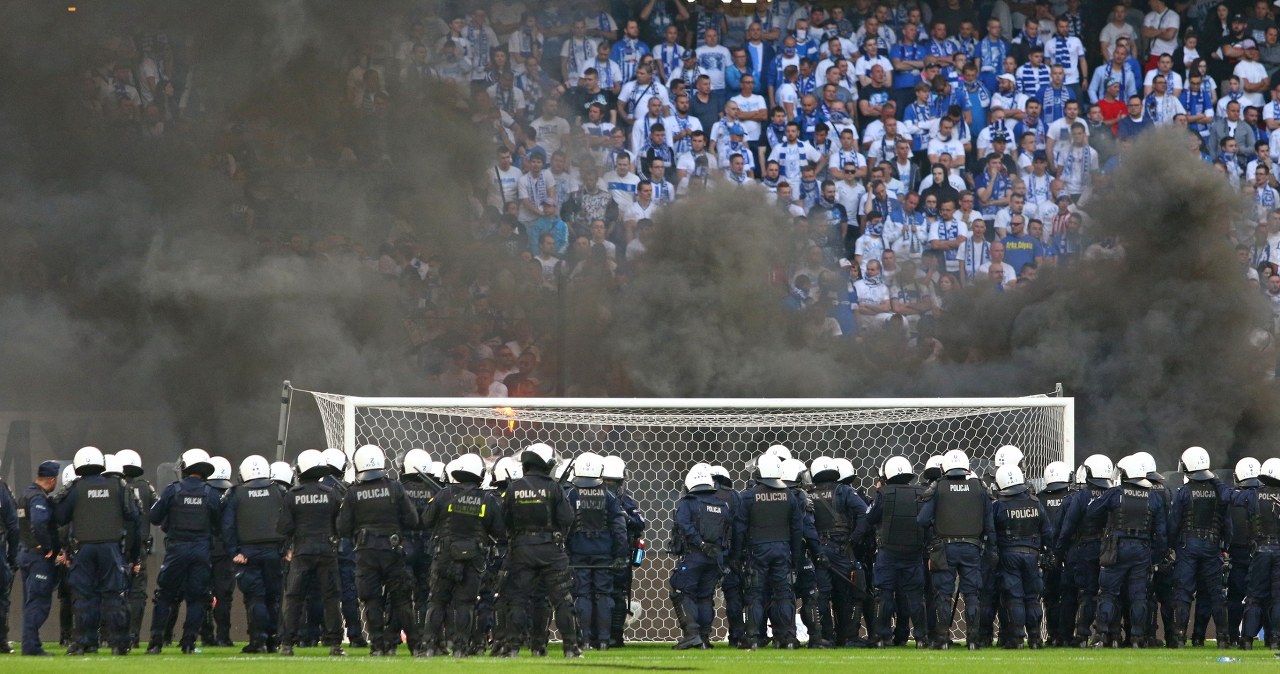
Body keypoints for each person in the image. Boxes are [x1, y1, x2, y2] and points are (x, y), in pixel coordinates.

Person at [498, 443, 581, 658]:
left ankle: (513, 648)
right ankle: (570, 648)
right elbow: (568, 518)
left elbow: (503, 520)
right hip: (550, 550)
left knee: (518, 599)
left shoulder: (513, 488)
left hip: (521, 550)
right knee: (562, 599)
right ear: (547, 465)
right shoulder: (554, 488)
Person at [337, 444, 420, 656]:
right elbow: (412, 519)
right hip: (392, 550)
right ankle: (416, 646)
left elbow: (342, 527)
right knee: (401, 599)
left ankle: (377, 646)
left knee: (371, 600)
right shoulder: (394, 487)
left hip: (365, 552)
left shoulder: (353, 493)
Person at [420, 454, 504, 657]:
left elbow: (426, 519)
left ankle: (430, 645)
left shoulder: (443, 494)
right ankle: (460, 647)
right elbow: (501, 532)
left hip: (444, 556)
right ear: (480, 475)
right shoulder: (488, 500)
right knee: (465, 603)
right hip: (474, 558)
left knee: (437, 601)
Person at [56, 446, 137, 656]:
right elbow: (133, 515)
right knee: (114, 596)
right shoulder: (118, 486)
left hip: (84, 549)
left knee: (84, 596)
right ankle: (119, 644)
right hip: (111, 548)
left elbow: (60, 517)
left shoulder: (75, 488)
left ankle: (85, 642)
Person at [735, 452, 816, 650]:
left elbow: (739, 528)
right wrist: (794, 557)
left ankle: (753, 637)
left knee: (755, 593)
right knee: (784, 593)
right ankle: (786, 637)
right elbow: (797, 528)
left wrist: (737, 555)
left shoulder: (748, 496)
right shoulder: (789, 495)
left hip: (757, 550)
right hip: (783, 550)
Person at [1085, 455, 1167, 648]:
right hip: (1142, 550)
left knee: (1108, 593)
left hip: (1116, 548)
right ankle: (1138, 637)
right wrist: (1154, 557)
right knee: (1139, 595)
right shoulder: (1153, 497)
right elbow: (1162, 533)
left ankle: (1102, 635)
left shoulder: (1115, 494)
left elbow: (1092, 512)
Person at [145, 448, 220, 655]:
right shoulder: (211, 493)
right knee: (197, 598)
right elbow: (218, 524)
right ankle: (188, 643)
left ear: (186, 468)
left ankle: (156, 642)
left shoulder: (173, 490)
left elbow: (154, 517)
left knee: (165, 596)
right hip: (201, 550)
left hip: (177, 549)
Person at [916, 449, 994, 650]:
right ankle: (973, 641)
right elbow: (989, 522)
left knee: (943, 594)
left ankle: (942, 639)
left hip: (945, 548)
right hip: (972, 548)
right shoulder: (979, 487)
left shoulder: (939, 487)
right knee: (972, 595)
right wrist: (991, 549)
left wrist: (936, 530)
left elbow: (922, 519)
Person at [277, 449, 345, 657]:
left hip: (302, 551)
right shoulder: (331, 493)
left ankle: (287, 644)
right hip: (327, 551)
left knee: (294, 598)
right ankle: (335, 644)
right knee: (331, 598)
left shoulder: (292, 495)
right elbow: (339, 524)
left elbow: (283, 527)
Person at [1168, 446, 1231, 648]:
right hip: (1212, 546)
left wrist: (1170, 547)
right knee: (1216, 593)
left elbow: (1173, 523)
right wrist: (1225, 546)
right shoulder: (1219, 492)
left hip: (1188, 546)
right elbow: (1227, 524)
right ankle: (1222, 638)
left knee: (1183, 592)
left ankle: (1179, 638)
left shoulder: (1183, 492)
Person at [222, 455, 287, 654]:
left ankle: (258, 641)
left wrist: (234, 552)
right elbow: (289, 521)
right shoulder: (279, 491)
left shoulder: (236, 494)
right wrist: (286, 548)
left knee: (255, 598)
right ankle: (273, 641)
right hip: (275, 552)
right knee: (273, 598)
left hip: (247, 553)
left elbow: (228, 526)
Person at [565, 452, 627, 651]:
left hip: (578, 555)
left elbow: (563, 526)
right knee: (603, 595)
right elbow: (619, 529)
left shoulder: (571, 495)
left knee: (582, 595)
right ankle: (603, 640)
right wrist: (621, 555)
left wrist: (564, 553)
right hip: (604, 555)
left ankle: (585, 640)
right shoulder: (608, 496)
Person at [991, 464, 1054, 649]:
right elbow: (1047, 532)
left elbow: (991, 532)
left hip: (1009, 556)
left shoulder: (999, 506)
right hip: (1033, 556)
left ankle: (1017, 638)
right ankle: (1035, 638)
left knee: (1015, 597)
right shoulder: (1035, 503)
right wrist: (1048, 552)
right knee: (1032, 597)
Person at [808, 456, 868, 648]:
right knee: (845, 594)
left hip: (818, 551)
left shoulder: (808, 494)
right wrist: (855, 538)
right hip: (842, 549)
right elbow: (864, 513)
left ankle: (825, 637)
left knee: (822, 595)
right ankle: (847, 636)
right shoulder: (844, 491)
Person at [1054, 454, 1114, 647]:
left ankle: (1080, 635)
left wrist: (1058, 553)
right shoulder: (1114, 494)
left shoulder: (1080, 497)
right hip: (1109, 549)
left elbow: (1066, 528)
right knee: (1108, 593)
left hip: (1083, 549)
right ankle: (1110, 635)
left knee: (1083, 593)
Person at [669, 464, 731, 650]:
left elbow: (684, 525)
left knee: (681, 589)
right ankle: (704, 637)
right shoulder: (722, 505)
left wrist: (701, 544)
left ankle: (691, 634)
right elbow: (727, 530)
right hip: (715, 558)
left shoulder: (688, 502)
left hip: (694, 555)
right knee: (705, 596)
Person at [601, 456, 645, 648]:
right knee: (615, 594)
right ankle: (613, 636)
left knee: (604, 594)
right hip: (612, 553)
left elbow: (639, 523)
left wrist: (627, 518)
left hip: (607, 553)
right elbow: (640, 523)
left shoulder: (626, 501)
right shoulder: (624, 500)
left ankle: (608, 635)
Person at [16, 461, 59, 657]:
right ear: (51, 480)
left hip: (25, 553)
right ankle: (31, 647)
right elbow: (39, 524)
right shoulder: (38, 498)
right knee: (39, 603)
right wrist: (47, 546)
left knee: (30, 602)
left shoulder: (25, 494)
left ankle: (30, 643)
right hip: (37, 557)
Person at [115, 449, 156, 650]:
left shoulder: (116, 487)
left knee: (114, 592)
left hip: (118, 548)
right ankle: (133, 636)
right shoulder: (147, 488)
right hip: (140, 549)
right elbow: (159, 512)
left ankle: (112, 636)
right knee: (138, 594)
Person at [398, 448, 439, 644]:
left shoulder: (399, 488)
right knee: (425, 594)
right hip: (428, 546)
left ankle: (398, 636)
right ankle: (424, 633)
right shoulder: (437, 490)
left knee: (400, 594)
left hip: (404, 545)